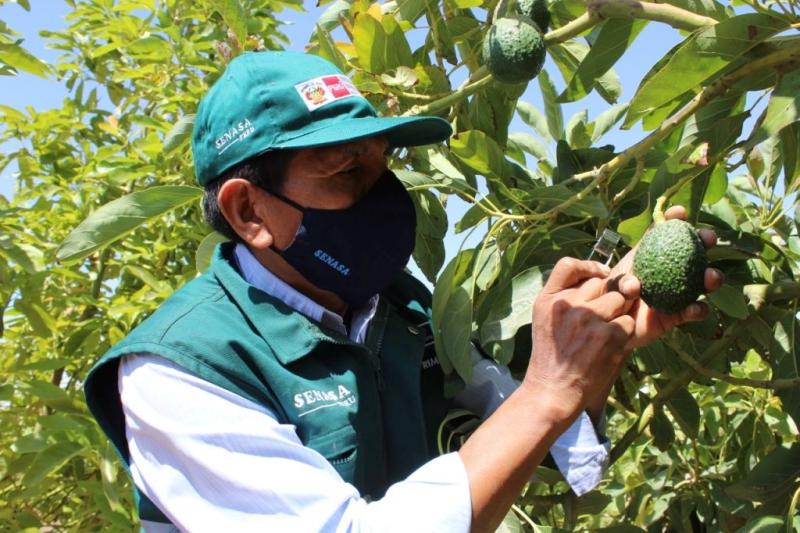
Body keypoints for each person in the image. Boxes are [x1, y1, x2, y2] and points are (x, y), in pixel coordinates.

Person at [84, 51, 722, 532]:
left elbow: (546, 446)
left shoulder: (403, 310)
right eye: (345, 172)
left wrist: (595, 348)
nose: (383, 199)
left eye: (382, 165)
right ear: (249, 211)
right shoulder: (178, 372)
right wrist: (550, 388)